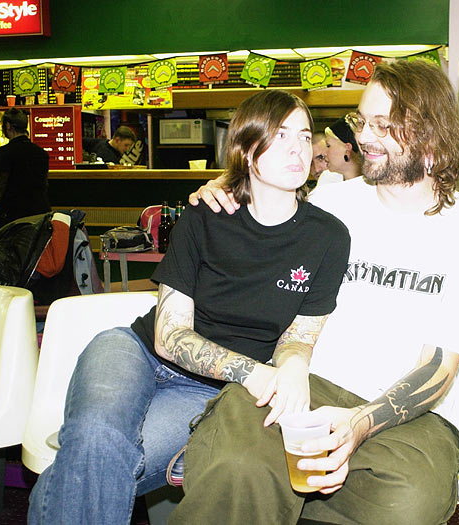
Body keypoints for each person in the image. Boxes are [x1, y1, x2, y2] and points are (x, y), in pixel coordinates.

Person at [177, 59, 459, 524]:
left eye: (382, 125)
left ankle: (276, 490)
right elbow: (256, 228)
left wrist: (359, 424)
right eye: (361, 121)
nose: (363, 137)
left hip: (406, 417)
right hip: (301, 388)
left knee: (408, 503)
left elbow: (439, 367)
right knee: (237, 466)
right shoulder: (329, 202)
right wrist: (227, 188)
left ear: (431, 134)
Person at [27, 90, 351, 524]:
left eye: (304, 136)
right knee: (97, 437)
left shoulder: (328, 236)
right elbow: (169, 336)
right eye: (280, 135)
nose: (297, 148)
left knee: (90, 466)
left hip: (207, 390)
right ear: (246, 148)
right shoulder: (204, 215)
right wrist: (257, 373)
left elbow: (300, 334)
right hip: (135, 351)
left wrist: (294, 365)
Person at [0, 108, 50, 233]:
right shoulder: (42, 153)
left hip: (13, 216)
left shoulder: (3, 153)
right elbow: (44, 185)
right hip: (40, 214)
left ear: (8, 126)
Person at [316, 116, 363, 186]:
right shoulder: (327, 180)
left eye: (328, 146)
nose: (325, 153)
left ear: (347, 149)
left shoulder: (375, 185)